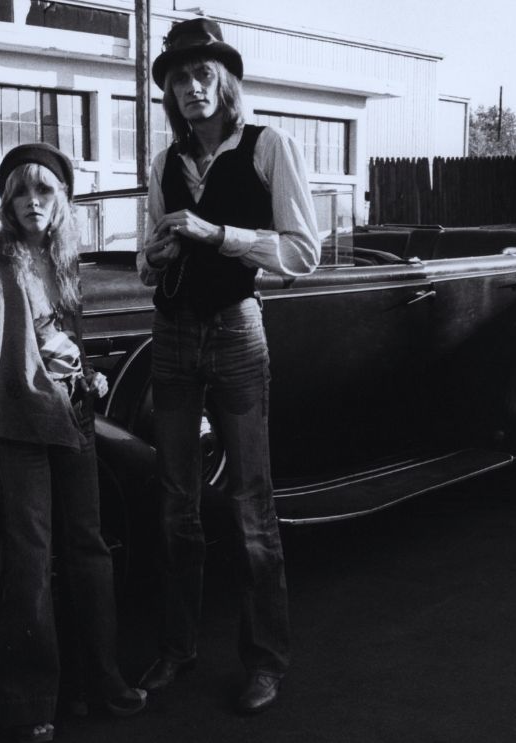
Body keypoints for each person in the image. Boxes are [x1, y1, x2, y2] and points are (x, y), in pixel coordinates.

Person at [134, 18, 321, 714]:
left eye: (202, 74)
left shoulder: (269, 145)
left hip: (238, 330)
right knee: (173, 505)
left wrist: (219, 235)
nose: (191, 87)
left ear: (225, 81)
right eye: (179, 78)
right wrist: (153, 255)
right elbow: (145, 259)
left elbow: (303, 254)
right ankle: (176, 648)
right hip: (172, 333)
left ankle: (265, 661)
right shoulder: (163, 163)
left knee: (250, 504)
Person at [0, 143, 147, 743]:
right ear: (7, 202)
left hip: (73, 415)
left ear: (62, 199)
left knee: (89, 547)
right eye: (21, 191)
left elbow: (65, 337)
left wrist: (82, 372)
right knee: (30, 556)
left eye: (44, 190)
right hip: (19, 425)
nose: (33, 202)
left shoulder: (65, 261)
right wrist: (20, 371)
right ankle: (28, 701)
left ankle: (102, 679)